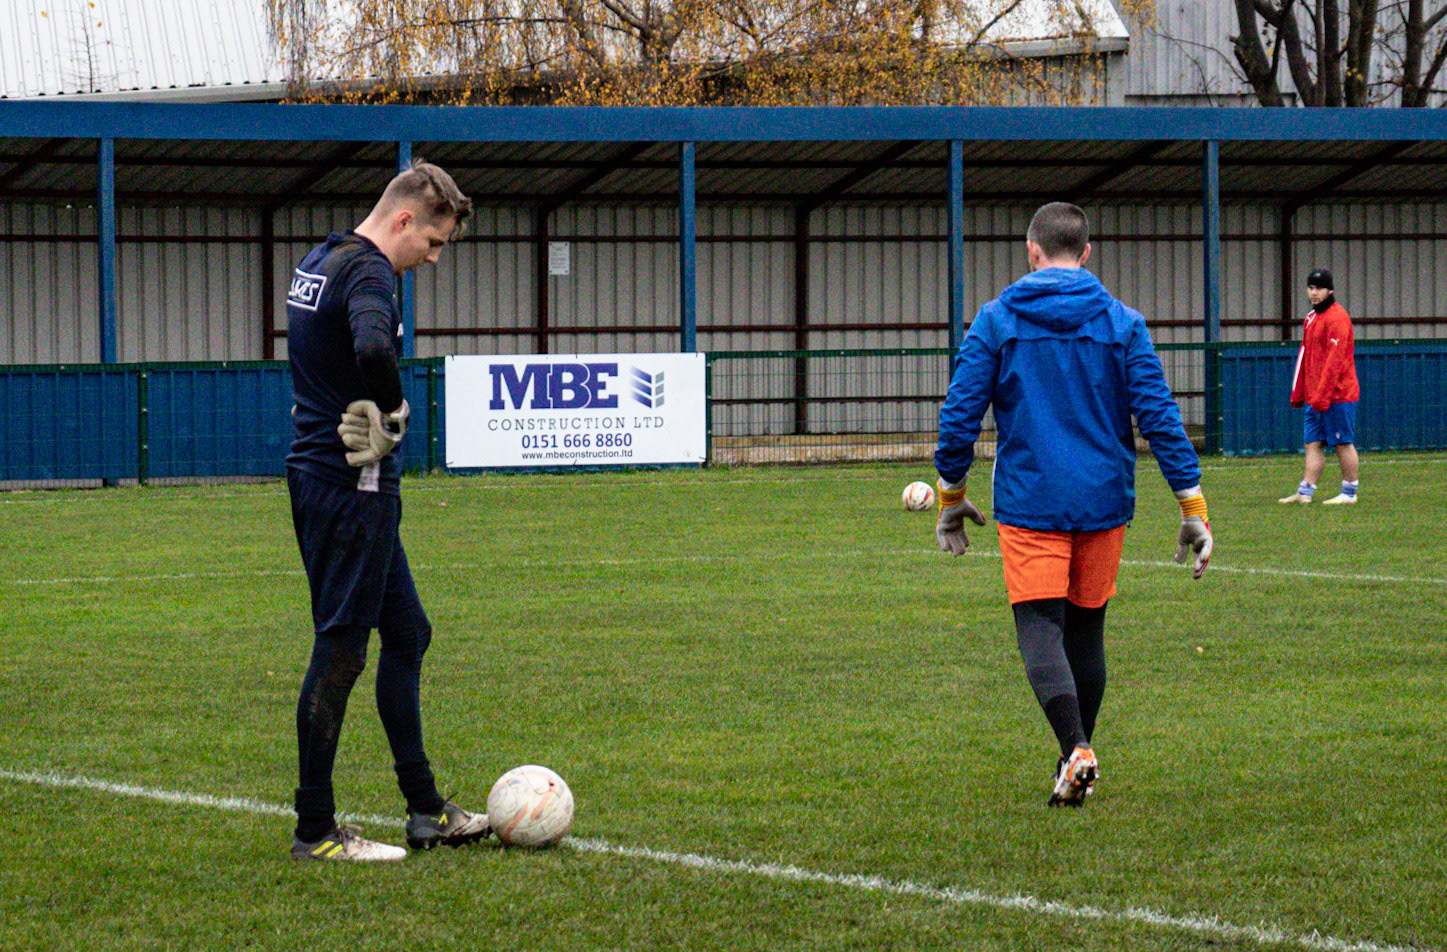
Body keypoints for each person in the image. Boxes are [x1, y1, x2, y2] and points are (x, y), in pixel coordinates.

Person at [933, 202, 1212, 808]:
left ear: (1031, 251)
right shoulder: (1123, 323)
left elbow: (959, 418)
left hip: (1031, 500)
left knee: (1040, 626)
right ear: (1085, 253)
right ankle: (1071, 762)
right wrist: (1192, 505)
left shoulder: (997, 319)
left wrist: (952, 495)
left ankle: (1076, 748)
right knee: (1086, 631)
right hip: (1103, 501)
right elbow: (1160, 417)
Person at [284, 160, 489, 861]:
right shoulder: (371, 271)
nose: (431, 259)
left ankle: (426, 810)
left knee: (408, 632)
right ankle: (315, 831)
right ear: (404, 219)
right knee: (342, 648)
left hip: (323, 475)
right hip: (353, 483)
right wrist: (395, 412)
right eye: (431, 242)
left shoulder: (321, 258)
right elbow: (372, 344)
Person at [1278, 268, 1360, 506]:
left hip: (1338, 395)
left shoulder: (1338, 318)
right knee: (1312, 443)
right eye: (1311, 288)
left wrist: (1323, 396)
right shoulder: (1311, 318)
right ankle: (1305, 491)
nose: (1314, 293)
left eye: (1319, 288)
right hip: (1315, 396)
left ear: (1330, 290)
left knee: (1342, 443)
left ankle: (1349, 493)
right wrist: (1299, 391)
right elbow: (1304, 356)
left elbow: (1335, 361)